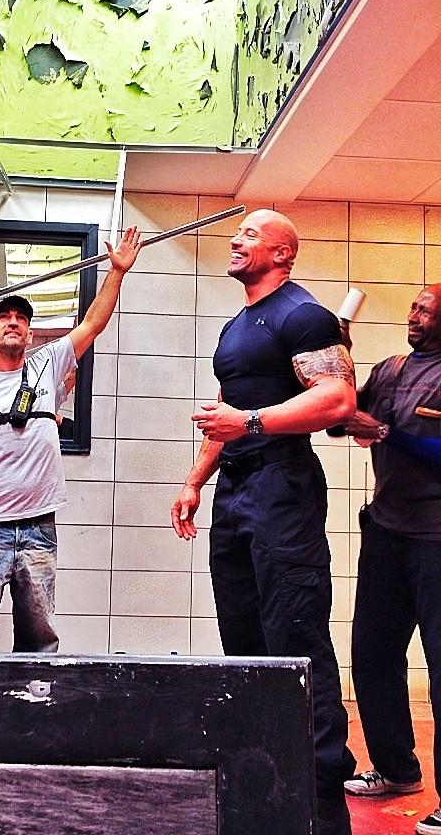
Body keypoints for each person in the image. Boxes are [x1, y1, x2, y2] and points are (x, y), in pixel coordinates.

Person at [170, 209, 357, 835]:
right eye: (239, 231)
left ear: (283, 253)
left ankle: (322, 795)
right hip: (236, 490)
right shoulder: (236, 327)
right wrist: (195, 480)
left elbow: (337, 398)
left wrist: (249, 424)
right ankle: (262, 781)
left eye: (250, 234)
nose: (235, 239)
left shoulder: (304, 315)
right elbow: (227, 413)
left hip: (283, 486)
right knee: (244, 642)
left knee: (296, 639)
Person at [0, 226, 141, 653]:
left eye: (21, 319)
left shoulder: (47, 364)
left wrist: (117, 272)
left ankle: (33, 697)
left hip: (39, 527)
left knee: (39, 639)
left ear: (30, 335)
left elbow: (92, 323)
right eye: (3, 318)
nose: (13, 322)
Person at [343, 284, 441, 835]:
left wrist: (385, 432)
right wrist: (336, 361)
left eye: (426, 311)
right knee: (373, 653)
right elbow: (342, 420)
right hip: (387, 531)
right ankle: (396, 769)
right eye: (413, 308)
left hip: (436, 538)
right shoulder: (392, 370)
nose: (414, 316)